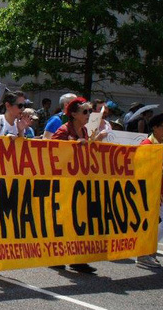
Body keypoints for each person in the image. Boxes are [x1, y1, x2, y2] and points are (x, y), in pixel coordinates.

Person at [50, 97, 98, 274]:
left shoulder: (85, 130)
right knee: (63, 220)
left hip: (80, 182)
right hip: (63, 183)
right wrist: (72, 145)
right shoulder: (63, 130)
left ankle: (78, 258)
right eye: (85, 112)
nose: (88, 115)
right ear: (74, 114)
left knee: (80, 221)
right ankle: (56, 256)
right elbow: (51, 150)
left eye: (89, 111)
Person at [136, 113, 163, 269]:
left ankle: (149, 252)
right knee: (161, 223)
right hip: (153, 193)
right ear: (155, 128)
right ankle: (144, 253)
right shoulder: (147, 145)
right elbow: (141, 171)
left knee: (161, 224)